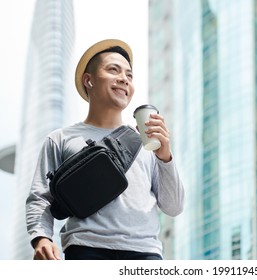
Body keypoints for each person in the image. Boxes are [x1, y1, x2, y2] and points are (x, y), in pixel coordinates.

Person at [25, 39, 184, 260]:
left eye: (129, 75)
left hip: (145, 254)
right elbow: (40, 197)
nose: (124, 79)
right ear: (88, 80)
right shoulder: (60, 139)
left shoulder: (147, 143)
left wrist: (165, 156)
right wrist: (41, 238)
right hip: (85, 250)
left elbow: (174, 206)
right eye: (113, 70)